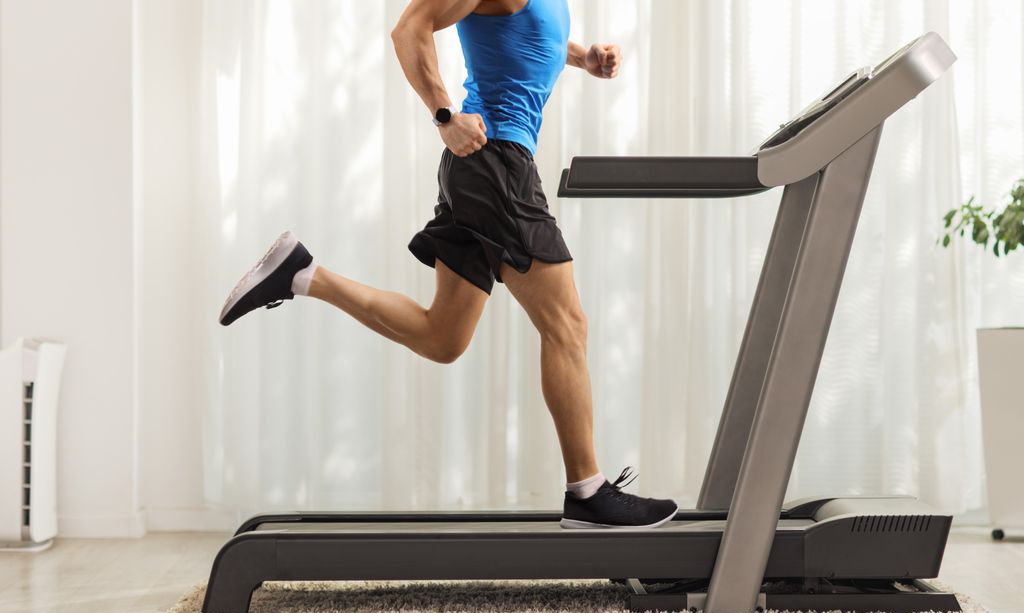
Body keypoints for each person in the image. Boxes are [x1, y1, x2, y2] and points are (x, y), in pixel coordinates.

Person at [217, 0, 678, 529]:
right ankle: (589, 492)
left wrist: (584, 57)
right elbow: (409, 29)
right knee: (568, 325)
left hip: (485, 170)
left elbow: (527, 37)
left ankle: (300, 273)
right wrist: (444, 117)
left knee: (442, 338)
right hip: (497, 163)